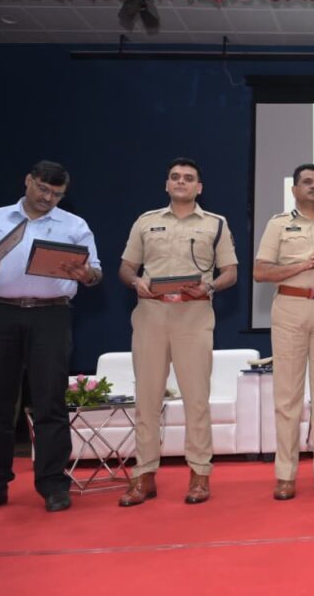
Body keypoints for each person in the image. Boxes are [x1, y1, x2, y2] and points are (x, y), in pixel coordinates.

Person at [0, 160, 102, 513]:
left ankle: (53, 484)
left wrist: (85, 274)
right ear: (28, 181)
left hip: (51, 316)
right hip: (0, 312)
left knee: (50, 401)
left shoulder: (75, 225)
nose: (48, 198)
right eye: (43, 189)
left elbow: (96, 273)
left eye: (57, 194)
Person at [117, 158, 238, 507]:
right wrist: (135, 282)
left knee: (196, 400)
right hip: (151, 316)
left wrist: (210, 286)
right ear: (167, 185)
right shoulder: (146, 221)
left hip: (194, 316)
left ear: (199, 187)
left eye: (188, 178)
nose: (181, 182)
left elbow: (230, 272)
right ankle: (144, 475)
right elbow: (126, 267)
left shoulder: (215, 223)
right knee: (147, 400)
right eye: (175, 177)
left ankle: (199, 473)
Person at [254, 163, 314, 500]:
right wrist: (306, 265)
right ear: (294, 189)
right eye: (307, 182)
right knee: (288, 397)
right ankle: (285, 475)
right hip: (291, 307)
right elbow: (261, 272)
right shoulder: (279, 224)